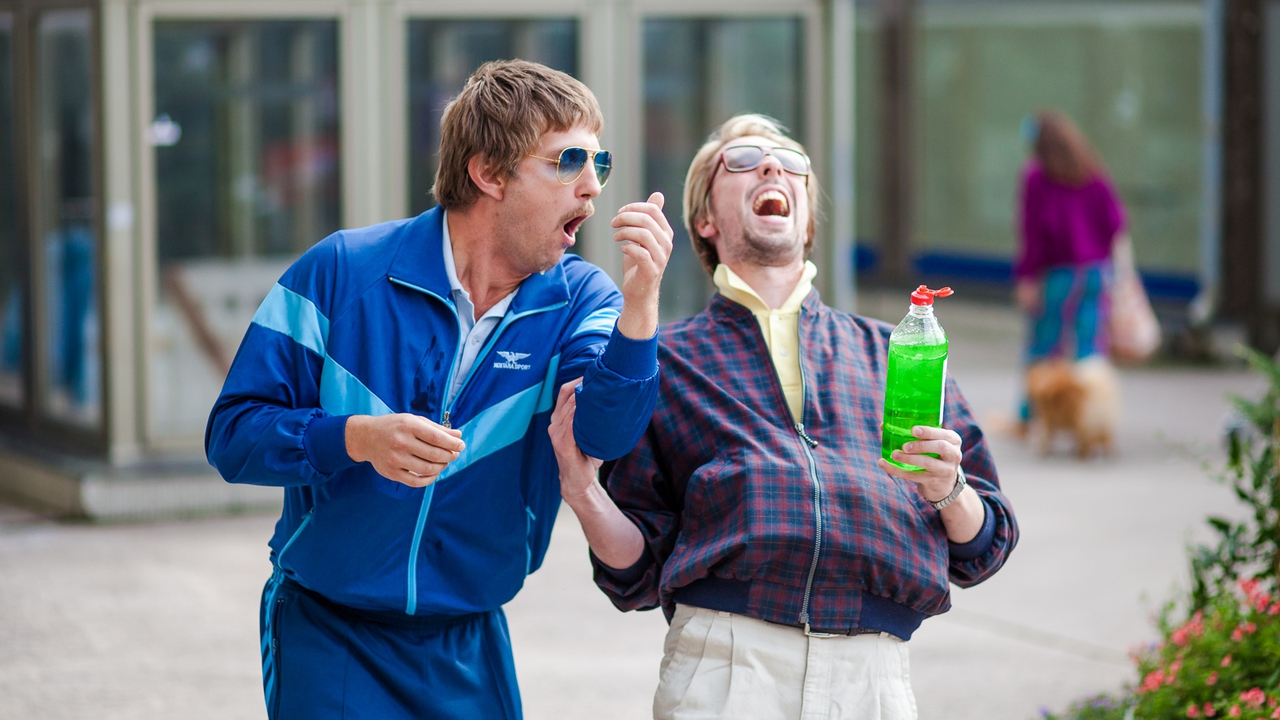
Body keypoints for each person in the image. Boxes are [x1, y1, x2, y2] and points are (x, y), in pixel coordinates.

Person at [205, 59, 673, 719]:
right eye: (568, 161)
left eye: (601, 166)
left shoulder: (582, 300)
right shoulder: (342, 270)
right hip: (327, 632)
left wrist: (642, 307)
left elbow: (604, 434)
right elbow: (232, 436)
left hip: (468, 637)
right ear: (488, 172)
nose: (591, 189)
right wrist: (353, 439)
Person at [548, 114, 1018, 720]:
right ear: (706, 221)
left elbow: (987, 542)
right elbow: (636, 572)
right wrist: (585, 493)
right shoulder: (666, 360)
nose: (772, 167)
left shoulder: (897, 352)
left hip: (873, 680)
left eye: (791, 162)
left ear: (809, 220)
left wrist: (949, 490)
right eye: (741, 160)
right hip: (726, 669)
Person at [1015, 110, 1126, 424]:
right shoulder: (1091, 172)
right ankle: (1093, 419)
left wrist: (1027, 278)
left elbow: (1033, 233)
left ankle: (1031, 416)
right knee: (1090, 352)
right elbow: (1115, 221)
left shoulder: (1037, 177)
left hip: (1059, 275)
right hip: (1095, 273)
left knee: (1044, 347)